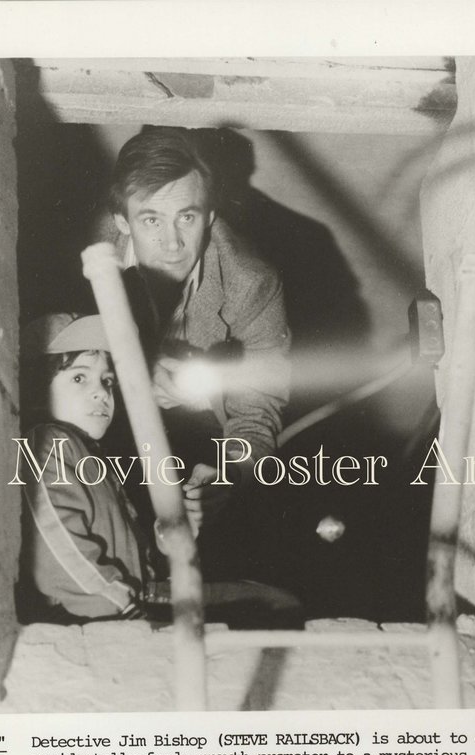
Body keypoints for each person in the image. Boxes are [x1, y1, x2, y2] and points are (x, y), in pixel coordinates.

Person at [81, 127, 292, 580]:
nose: (172, 243)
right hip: (106, 415)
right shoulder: (81, 259)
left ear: (210, 215)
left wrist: (228, 473)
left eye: (187, 217)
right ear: (122, 222)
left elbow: (258, 405)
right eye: (151, 220)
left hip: (206, 427)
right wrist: (133, 372)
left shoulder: (252, 283)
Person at [15, 313, 148, 624]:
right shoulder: (47, 441)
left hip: (119, 607)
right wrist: (117, 600)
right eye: (79, 378)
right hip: (96, 616)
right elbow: (56, 533)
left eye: (107, 380)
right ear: (38, 390)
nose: (102, 392)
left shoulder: (89, 456)